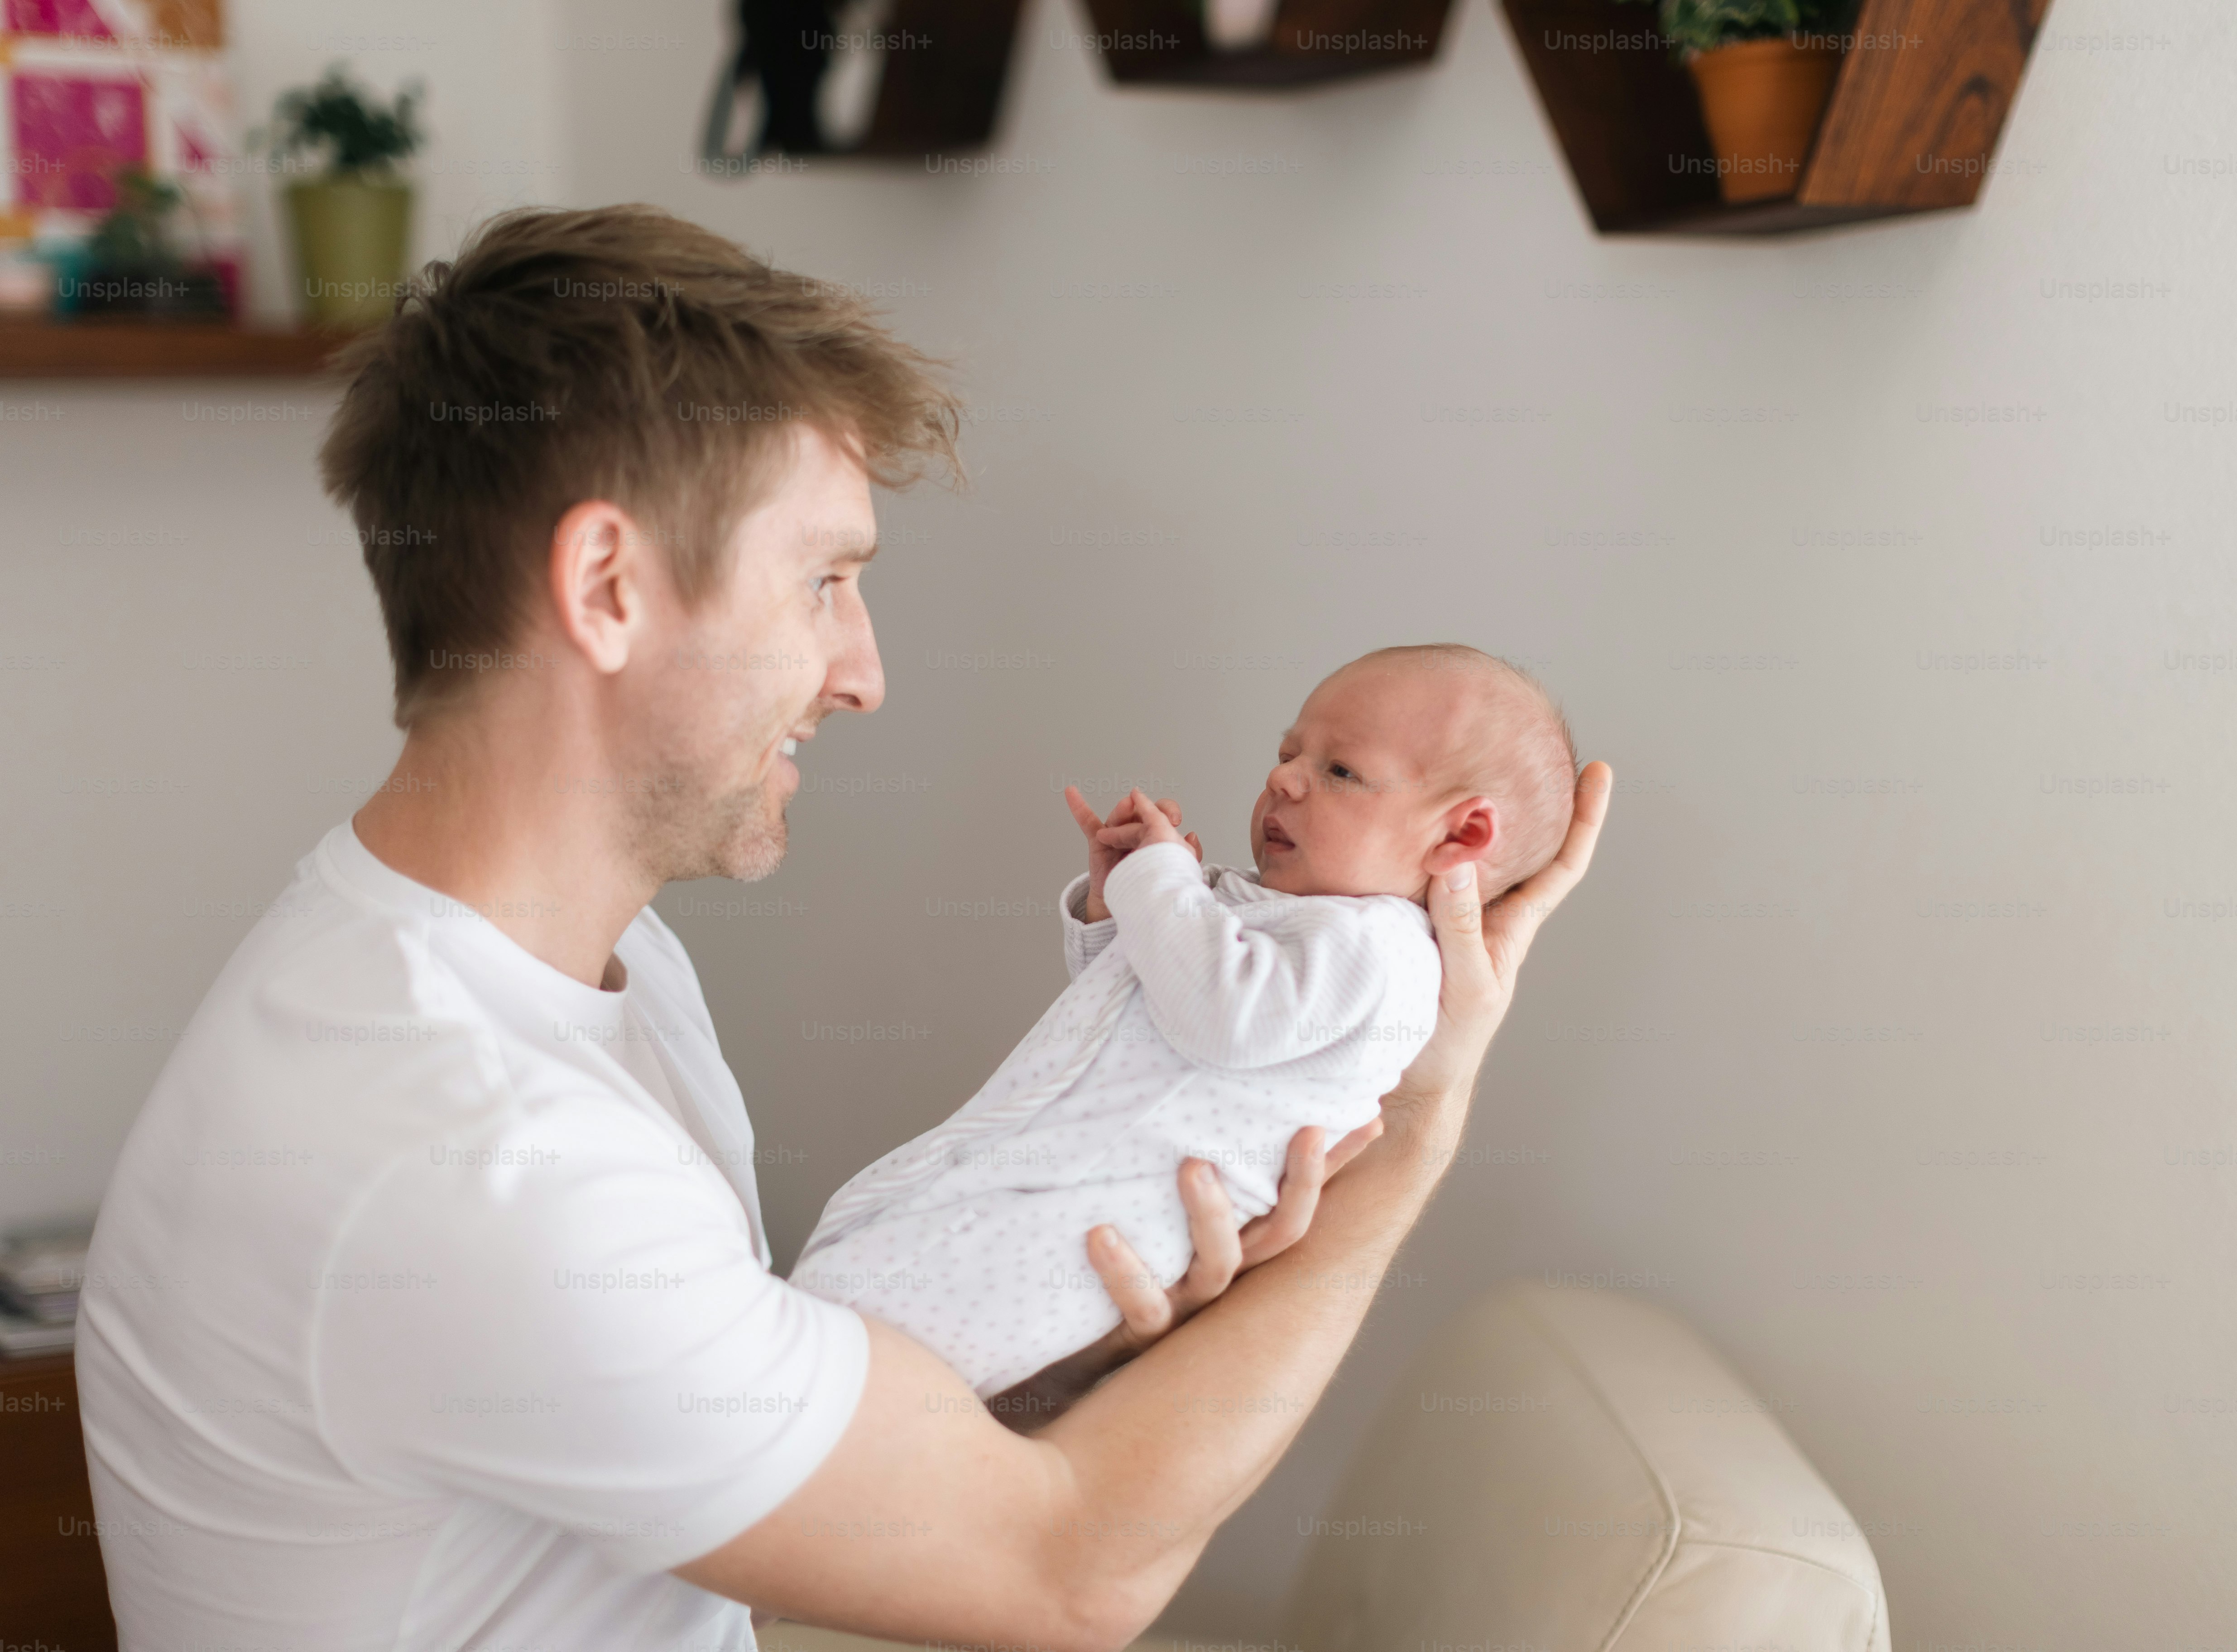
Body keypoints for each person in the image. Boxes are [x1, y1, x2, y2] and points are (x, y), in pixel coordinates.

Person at [74, 204, 1610, 1652]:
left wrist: (1042, 1362)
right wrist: (1409, 1135)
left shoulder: (563, 970)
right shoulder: (470, 1151)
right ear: (606, 587)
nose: (864, 673)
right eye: (825, 581)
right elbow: (1067, 1574)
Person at [792, 646, 1578, 1399]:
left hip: (1079, 1235)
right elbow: (1133, 1021)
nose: (1283, 779)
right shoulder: (1288, 916)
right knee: (836, 1328)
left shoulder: (1380, 948)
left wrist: (1162, 882)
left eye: (1339, 771)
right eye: (1289, 753)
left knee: (855, 1359)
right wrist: (1116, 909)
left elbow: (1222, 1019)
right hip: (1040, 1193)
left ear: (1461, 835)